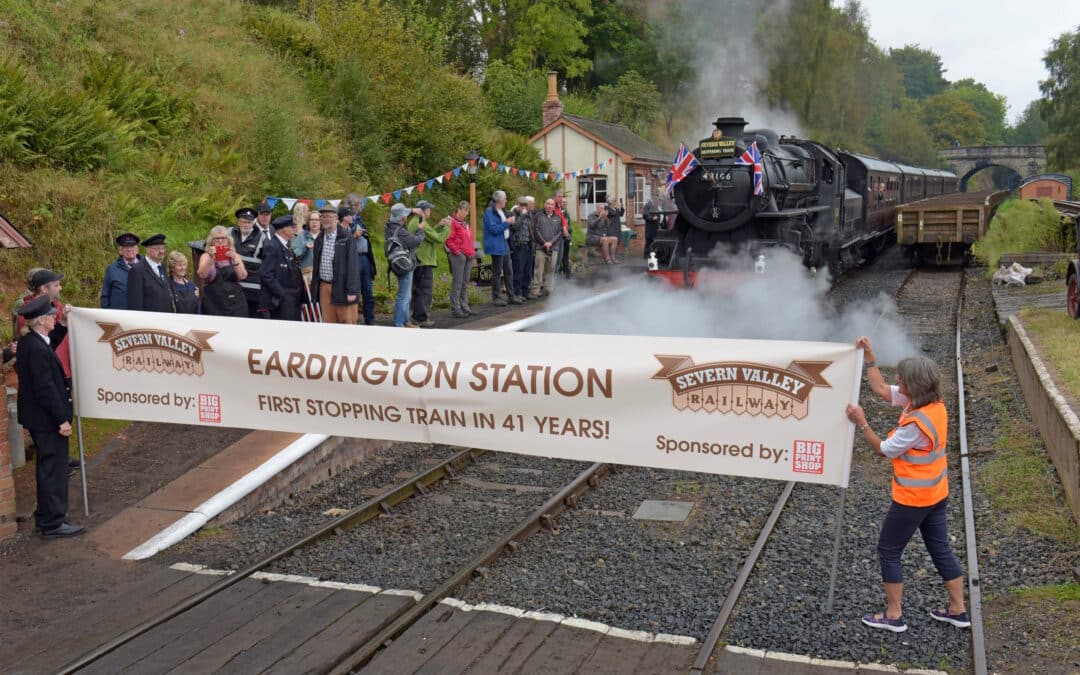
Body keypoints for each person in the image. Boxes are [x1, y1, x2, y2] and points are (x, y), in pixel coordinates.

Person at [845, 336, 969, 633]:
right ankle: (958, 610)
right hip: (937, 494)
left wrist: (861, 422)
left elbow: (884, 449)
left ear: (912, 387)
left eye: (901, 380)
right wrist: (870, 355)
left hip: (913, 499)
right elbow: (878, 388)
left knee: (888, 550)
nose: (896, 382)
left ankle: (894, 614)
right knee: (941, 550)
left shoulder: (915, 424)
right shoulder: (932, 405)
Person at [16, 295, 82, 538]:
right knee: (53, 470)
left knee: (48, 467)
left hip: (38, 418)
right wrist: (61, 420)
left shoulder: (31, 341)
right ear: (42, 320)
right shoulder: (36, 349)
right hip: (47, 419)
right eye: (52, 316)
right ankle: (53, 522)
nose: (55, 318)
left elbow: (50, 343)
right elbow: (45, 388)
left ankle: (46, 517)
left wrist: (63, 324)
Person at [311, 205, 360, 325]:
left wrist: (352, 291)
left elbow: (353, 266)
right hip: (324, 286)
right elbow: (316, 266)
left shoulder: (346, 237)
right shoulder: (319, 239)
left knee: (347, 321)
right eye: (323, 217)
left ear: (336, 218)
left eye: (330, 216)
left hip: (342, 287)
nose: (326, 219)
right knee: (328, 322)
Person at [408, 200, 450, 328]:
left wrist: (439, 225)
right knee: (424, 291)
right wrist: (448, 227)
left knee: (417, 290)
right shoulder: (422, 223)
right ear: (423, 210)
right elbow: (438, 238)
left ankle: (416, 316)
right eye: (429, 209)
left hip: (417, 259)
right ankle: (421, 317)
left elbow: (429, 234)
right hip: (424, 260)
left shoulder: (415, 221)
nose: (430, 211)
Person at [385, 202, 424, 327]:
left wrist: (412, 210)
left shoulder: (390, 226)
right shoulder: (400, 230)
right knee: (404, 295)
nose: (406, 217)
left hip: (398, 264)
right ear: (402, 218)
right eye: (405, 215)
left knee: (407, 294)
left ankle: (406, 321)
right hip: (404, 265)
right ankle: (399, 323)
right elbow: (415, 241)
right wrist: (420, 230)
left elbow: (398, 212)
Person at [259, 215, 304, 321]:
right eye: (293, 227)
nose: (295, 229)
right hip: (282, 300)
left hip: (293, 298)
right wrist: (282, 294)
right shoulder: (272, 246)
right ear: (284, 229)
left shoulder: (285, 245)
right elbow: (266, 274)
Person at [198, 225, 249, 318]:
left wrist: (234, 260)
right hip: (213, 303)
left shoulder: (235, 256)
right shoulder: (205, 256)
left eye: (223, 238)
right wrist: (211, 259)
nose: (220, 241)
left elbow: (243, 276)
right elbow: (202, 275)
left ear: (228, 240)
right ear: (211, 241)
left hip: (235, 303)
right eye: (217, 239)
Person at [344, 194, 377, 326]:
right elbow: (342, 238)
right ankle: (353, 320)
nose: (362, 206)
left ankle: (370, 320)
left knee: (368, 291)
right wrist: (354, 234)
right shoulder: (345, 220)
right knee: (354, 291)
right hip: (353, 258)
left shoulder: (360, 219)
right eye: (360, 204)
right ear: (353, 205)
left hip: (364, 258)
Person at [127, 234, 176, 313]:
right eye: (157, 249)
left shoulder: (162, 267)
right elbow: (135, 304)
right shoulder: (137, 270)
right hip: (150, 321)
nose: (161, 251)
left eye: (163, 248)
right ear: (148, 250)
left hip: (166, 318)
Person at [483, 190, 515, 306]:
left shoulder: (501, 210)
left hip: (504, 242)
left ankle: (511, 296)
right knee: (497, 272)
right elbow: (494, 229)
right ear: (500, 200)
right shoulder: (489, 212)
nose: (506, 200)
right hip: (496, 244)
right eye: (505, 198)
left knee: (509, 270)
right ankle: (496, 297)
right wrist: (507, 223)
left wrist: (509, 221)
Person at [445, 201, 475, 319]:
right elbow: (448, 239)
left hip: (468, 255)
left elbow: (469, 239)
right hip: (459, 255)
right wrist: (457, 251)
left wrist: (472, 252)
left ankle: (464, 305)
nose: (466, 213)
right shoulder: (452, 223)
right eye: (464, 210)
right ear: (458, 210)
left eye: (467, 211)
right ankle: (455, 308)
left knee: (465, 282)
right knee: (457, 282)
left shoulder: (465, 224)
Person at [530, 198, 563, 298]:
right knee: (538, 270)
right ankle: (536, 289)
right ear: (545, 205)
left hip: (553, 248)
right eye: (548, 204)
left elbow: (559, 233)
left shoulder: (558, 218)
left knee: (551, 269)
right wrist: (544, 243)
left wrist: (551, 243)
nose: (549, 206)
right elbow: (535, 230)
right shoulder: (538, 216)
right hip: (540, 247)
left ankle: (549, 288)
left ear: (554, 207)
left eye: (552, 205)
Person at [100, 233, 141, 309]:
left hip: (142, 315)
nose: (129, 249)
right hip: (119, 317)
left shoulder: (146, 267)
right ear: (120, 251)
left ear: (137, 250)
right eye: (125, 247)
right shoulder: (112, 269)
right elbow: (105, 295)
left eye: (132, 246)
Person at [509, 196, 534, 301]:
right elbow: (515, 227)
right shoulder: (513, 214)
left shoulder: (528, 215)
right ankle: (517, 293)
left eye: (525, 205)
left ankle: (525, 291)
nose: (523, 207)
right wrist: (522, 216)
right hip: (518, 246)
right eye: (521, 205)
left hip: (527, 244)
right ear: (517, 205)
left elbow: (530, 229)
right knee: (518, 270)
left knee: (527, 271)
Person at [291, 208, 319, 283]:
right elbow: (294, 256)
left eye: (317, 220)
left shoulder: (324, 237)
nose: (314, 222)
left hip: (321, 276)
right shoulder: (301, 236)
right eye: (312, 220)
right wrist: (305, 247)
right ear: (308, 222)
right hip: (306, 276)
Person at [554, 190, 574, 277]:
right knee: (555, 261)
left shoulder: (563, 211)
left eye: (562, 197)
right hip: (554, 239)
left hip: (563, 238)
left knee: (562, 258)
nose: (561, 200)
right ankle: (553, 281)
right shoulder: (554, 208)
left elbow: (567, 224)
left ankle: (563, 276)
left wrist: (568, 233)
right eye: (560, 197)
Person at [642, 193, 662, 260]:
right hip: (649, 226)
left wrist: (659, 218)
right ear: (652, 198)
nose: (656, 199)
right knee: (648, 241)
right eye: (655, 198)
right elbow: (644, 215)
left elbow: (659, 214)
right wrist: (651, 218)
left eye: (657, 198)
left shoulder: (656, 206)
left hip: (655, 226)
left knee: (654, 240)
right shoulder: (647, 205)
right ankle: (646, 254)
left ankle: (653, 254)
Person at [605, 196, 626, 262]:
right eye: (614, 201)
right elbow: (612, 214)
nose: (615, 202)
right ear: (610, 202)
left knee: (617, 242)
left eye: (615, 201)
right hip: (611, 228)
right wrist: (618, 208)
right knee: (612, 242)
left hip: (617, 227)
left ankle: (614, 256)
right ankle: (610, 258)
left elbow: (621, 214)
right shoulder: (607, 208)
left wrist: (622, 207)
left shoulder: (616, 209)